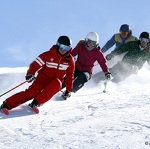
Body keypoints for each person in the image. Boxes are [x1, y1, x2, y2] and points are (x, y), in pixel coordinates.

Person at [0, 35, 75, 115]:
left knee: (58, 84)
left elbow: (70, 75)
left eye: (66, 48)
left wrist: (68, 90)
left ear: (69, 48)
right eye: (61, 47)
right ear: (58, 45)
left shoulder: (70, 61)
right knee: (31, 93)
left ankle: (36, 103)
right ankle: (6, 105)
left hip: (55, 81)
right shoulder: (48, 55)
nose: (63, 50)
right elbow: (35, 65)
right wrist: (30, 74)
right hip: (42, 79)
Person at [62, 32, 112, 98]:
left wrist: (107, 72)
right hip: (77, 67)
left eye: (93, 43)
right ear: (86, 40)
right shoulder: (80, 47)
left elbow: (103, 63)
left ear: (96, 43)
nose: (91, 44)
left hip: (87, 71)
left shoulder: (98, 52)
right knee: (70, 76)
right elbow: (72, 54)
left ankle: (68, 92)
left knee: (81, 79)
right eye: (89, 42)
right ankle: (57, 88)